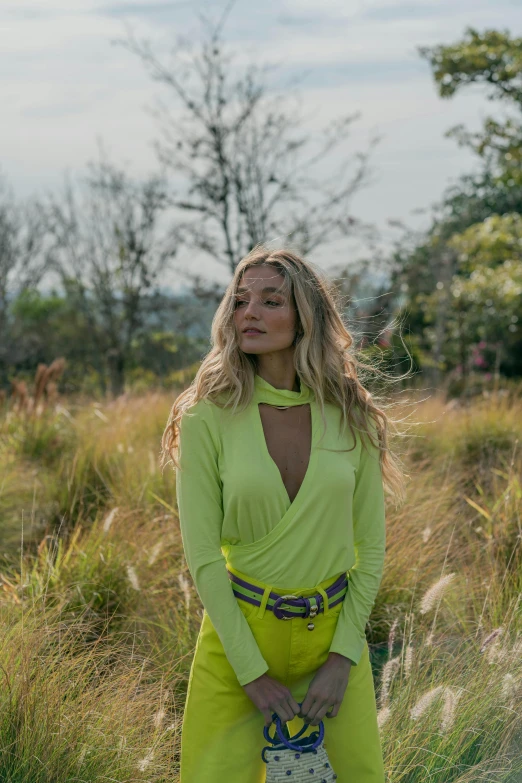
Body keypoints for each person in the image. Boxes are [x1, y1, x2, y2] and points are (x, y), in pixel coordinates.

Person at [161, 246, 408, 782]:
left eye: (271, 301)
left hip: (333, 651)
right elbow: (203, 558)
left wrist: (343, 659)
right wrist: (250, 673)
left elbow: (370, 552)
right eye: (240, 300)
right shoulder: (206, 415)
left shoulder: (353, 415)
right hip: (238, 646)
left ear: (306, 319)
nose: (248, 313)